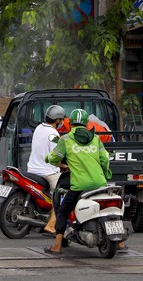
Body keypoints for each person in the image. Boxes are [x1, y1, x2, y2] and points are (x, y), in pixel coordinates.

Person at [45, 108, 114, 255]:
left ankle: (57, 246)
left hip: (80, 186)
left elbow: (53, 158)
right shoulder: (95, 139)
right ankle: (119, 244)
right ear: (87, 124)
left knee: (62, 211)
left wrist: (50, 160)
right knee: (108, 210)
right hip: (100, 183)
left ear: (70, 124)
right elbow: (105, 158)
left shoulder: (66, 140)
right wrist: (105, 172)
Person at [27, 104, 67, 234]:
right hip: (48, 172)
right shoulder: (53, 134)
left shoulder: (39, 128)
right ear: (57, 120)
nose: (62, 122)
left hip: (32, 169)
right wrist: (65, 165)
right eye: (61, 120)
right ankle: (51, 224)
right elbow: (55, 158)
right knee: (61, 196)